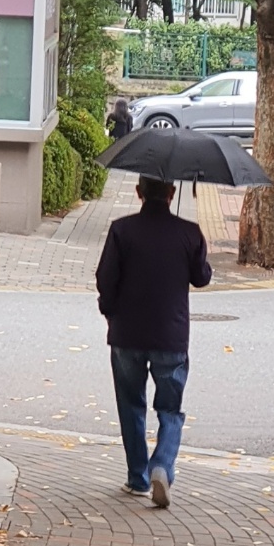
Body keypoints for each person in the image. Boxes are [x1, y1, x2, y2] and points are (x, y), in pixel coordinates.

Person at [96, 176, 212, 507]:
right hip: (171, 337)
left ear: (139, 193)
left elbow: (106, 278)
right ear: (172, 193)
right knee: (170, 409)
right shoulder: (189, 232)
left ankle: (138, 478)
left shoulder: (121, 230)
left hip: (127, 333)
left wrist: (109, 312)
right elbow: (201, 278)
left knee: (131, 404)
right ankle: (161, 465)